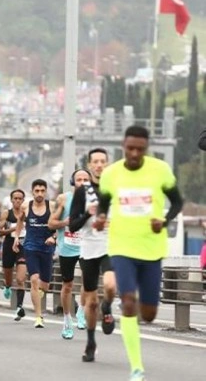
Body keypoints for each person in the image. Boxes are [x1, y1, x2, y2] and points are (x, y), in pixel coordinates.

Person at [93, 125, 183, 381]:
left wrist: (164, 222)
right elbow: (104, 201)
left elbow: (177, 202)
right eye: (130, 148)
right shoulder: (111, 173)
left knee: (149, 314)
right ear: (123, 146)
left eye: (140, 149)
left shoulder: (160, 170)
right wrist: (100, 217)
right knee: (129, 302)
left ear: (146, 149)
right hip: (121, 246)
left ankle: (123, 310)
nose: (134, 153)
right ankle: (136, 367)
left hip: (152, 248)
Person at [69, 148, 116, 363]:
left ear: (107, 164)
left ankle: (107, 306)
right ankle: (90, 342)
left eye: (102, 161)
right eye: (95, 162)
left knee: (109, 285)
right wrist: (89, 213)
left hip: (111, 245)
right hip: (89, 247)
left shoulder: (115, 187)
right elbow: (73, 224)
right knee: (90, 302)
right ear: (90, 165)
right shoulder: (83, 192)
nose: (99, 165)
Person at [48, 169, 91, 339]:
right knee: (68, 285)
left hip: (86, 247)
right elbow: (50, 224)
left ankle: (81, 310)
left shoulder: (94, 199)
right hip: (67, 247)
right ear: (73, 182)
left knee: (89, 281)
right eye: (79, 179)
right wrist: (66, 222)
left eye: (85, 179)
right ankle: (67, 319)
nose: (82, 182)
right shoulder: (64, 199)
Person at [14, 179, 57, 329]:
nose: (39, 194)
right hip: (30, 247)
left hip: (47, 248)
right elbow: (20, 222)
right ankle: (38, 316)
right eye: (36, 191)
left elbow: (59, 225)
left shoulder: (52, 206)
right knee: (34, 279)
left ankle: (38, 295)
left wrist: (54, 237)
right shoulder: (26, 206)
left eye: (42, 191)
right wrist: (16, 238)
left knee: (44, 286)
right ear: (32, 192)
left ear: (46, 191)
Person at [0, 189, 28, 321]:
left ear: (23, 200)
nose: (17, 201)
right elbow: (0, 232)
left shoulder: (27, 214)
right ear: (11, 200)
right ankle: (7, 286)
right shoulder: (6, 214)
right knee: (9, 275)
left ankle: (19, 307)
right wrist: (15, 228)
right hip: (9, 246)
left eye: (20, 198)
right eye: (15, 198)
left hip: (23, 246)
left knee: (21, 279)